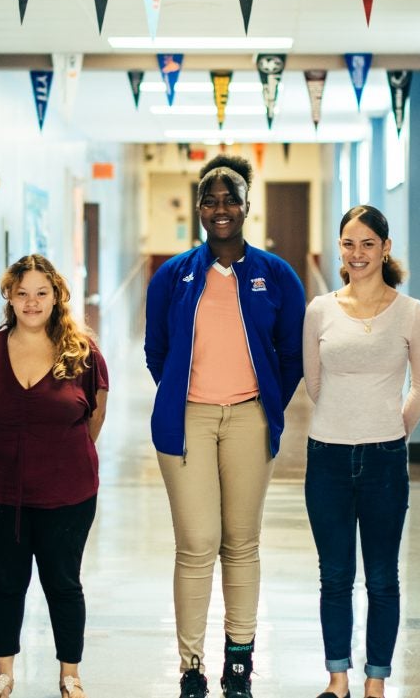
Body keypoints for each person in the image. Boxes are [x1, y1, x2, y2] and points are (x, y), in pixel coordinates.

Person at [144, 154, 306, 698]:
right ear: (198, 207)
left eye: (230, 198)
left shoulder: (274, 274)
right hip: (186, 419)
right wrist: (183, 395)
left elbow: (292, 351)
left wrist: (267, 403)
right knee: (196, 542)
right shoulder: (173, 274)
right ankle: (191, 667)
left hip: (249, 417)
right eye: (211, 200)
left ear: (246, 206)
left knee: (241, 542)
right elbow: (156, 350)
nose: (221, 209)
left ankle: (239, 660)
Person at [302, 205, 420, 698]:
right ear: (339, 248)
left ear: (385, 248)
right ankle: (338, 680)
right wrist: (346, 419)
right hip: (327, 457)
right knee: (335, 575)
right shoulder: (320, 310)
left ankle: (375, 682)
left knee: (382, 577)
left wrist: (387, 428)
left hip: (384, 458)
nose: (357, 254)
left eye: (367, 244)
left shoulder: (411, 312)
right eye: (348, 244)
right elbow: (315, 383)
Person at [0, 255, 109, 698]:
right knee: (6, 583)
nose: (31, 302)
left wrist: (58, 453)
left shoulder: (82, 352)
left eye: (41, 293)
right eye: (22, 292)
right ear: (9, 295)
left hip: (67, 491)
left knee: (63, 583)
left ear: (56, 297)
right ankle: (3, 673)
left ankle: (70, 675)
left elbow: (94, 419)